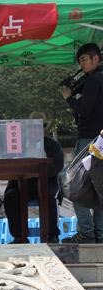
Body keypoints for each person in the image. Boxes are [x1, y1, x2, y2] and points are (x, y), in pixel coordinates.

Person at [61, 42, 103, 243]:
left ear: (96, 58)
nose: (82, 65)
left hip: (89, 139)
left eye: (84, 60)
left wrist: (69, 98)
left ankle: (86, 232)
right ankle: (100, 233)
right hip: (101, 139)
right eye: (80, 61)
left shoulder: (94, 80)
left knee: (73, 182)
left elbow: (84, 111)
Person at [4, 112, 64, 244]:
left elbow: (57, 165)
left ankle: (52, 235)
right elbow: (8, 160)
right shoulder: (18, 144)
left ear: (45, 131)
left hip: (46, 181)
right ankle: (19, 236)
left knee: (50, 196)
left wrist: (37, 173)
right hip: (21, 182)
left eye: (39, 128)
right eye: (32, 128)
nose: (35, 131)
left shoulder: (52, 145)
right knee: (10, 197)